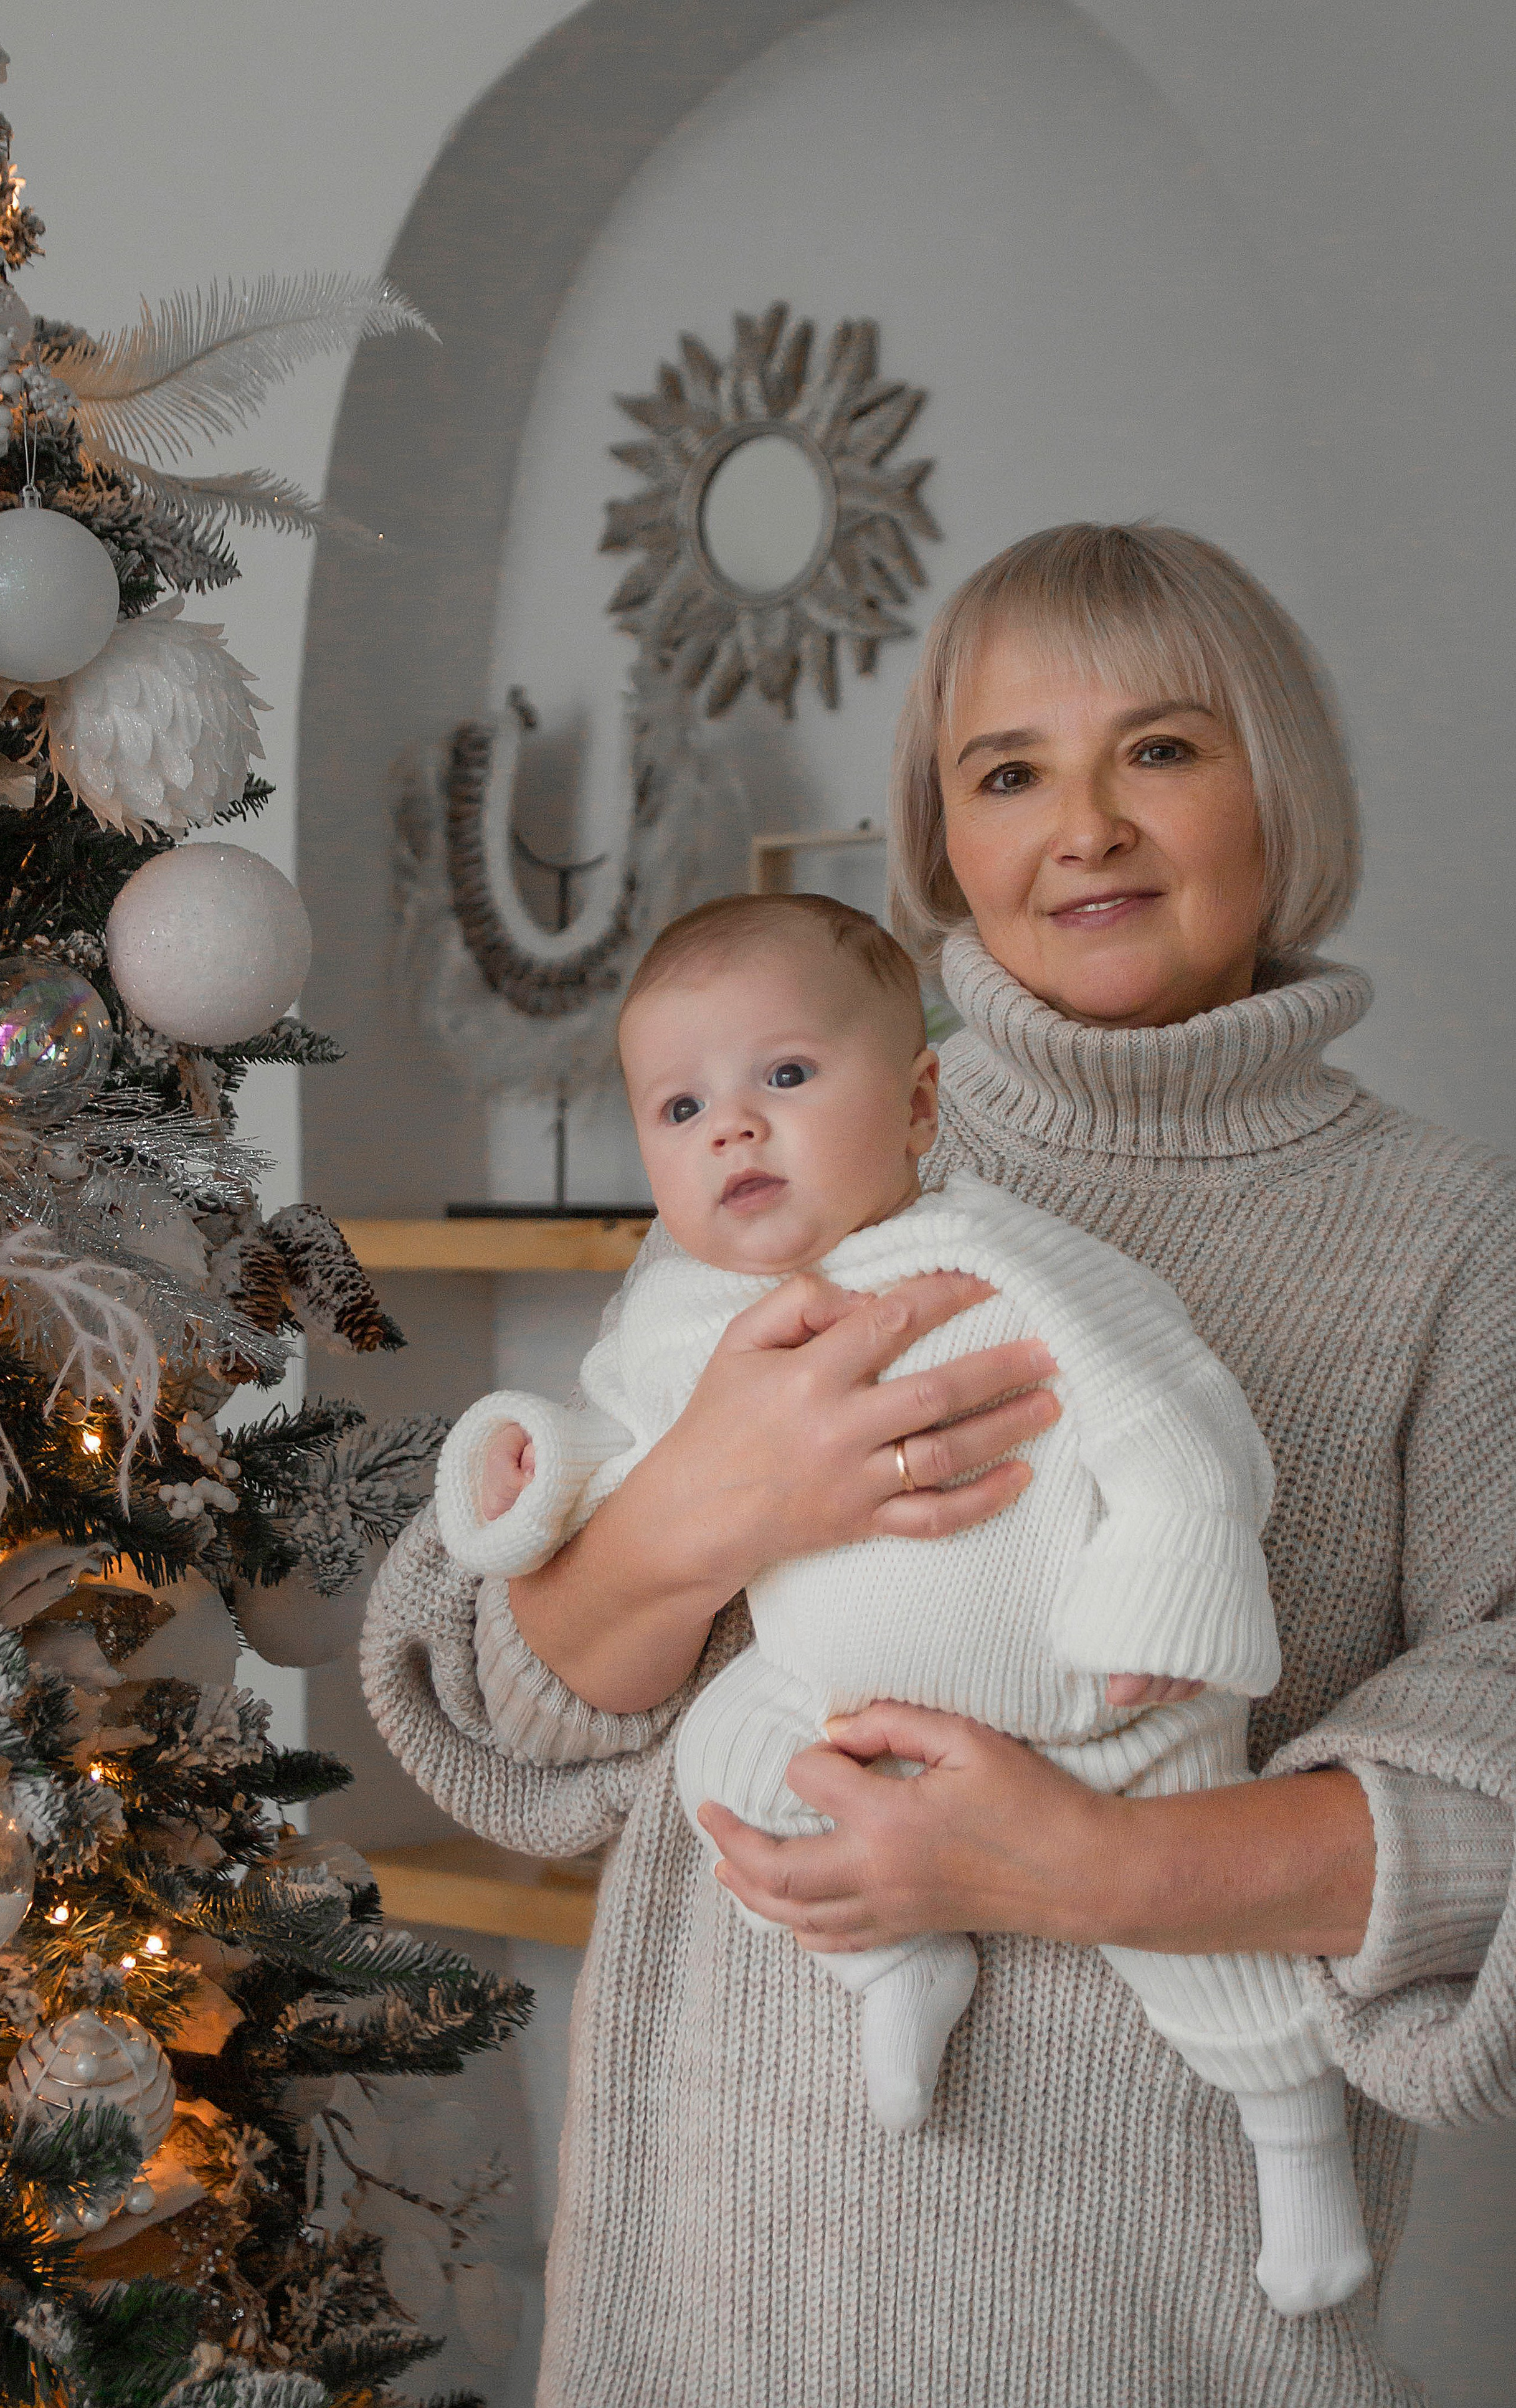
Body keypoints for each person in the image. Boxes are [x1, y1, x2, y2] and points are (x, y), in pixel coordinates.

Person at [362, 523, 1516, 2407]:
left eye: (1160, 748)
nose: (1085, 827)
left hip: (1146, 2320)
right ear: (943, 831)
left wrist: (1095, 1865)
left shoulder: (1451, 1240)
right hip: (713, 2265)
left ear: (1276, 785)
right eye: (1009, 771)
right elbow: (496, 1707)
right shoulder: (790, 1131)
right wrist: (706, 1506)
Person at [433, 888, 1370, 2313]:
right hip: (838, 1698)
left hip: (1090, 1691)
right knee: (728, 1770)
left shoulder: (994, 1254)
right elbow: (619, 1468)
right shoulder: (674, 1313)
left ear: (920, 1101)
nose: (731, 1129)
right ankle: (893, 1957)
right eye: (679, 1108)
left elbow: (1175, 1412)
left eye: (785, 1077)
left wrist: (1161, 1605)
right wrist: (525, 1475)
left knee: (1204, 1947)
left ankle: (1294, 2141)